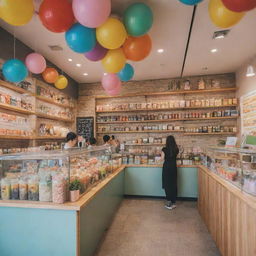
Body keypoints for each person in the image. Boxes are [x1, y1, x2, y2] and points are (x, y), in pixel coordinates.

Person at [162, 135, 179, 210]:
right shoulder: (176, 149)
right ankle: (173, 202)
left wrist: (156, 160)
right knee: (173, 183)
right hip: (173, 167)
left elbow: (162, 158)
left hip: (166, 168)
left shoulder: (164, 149)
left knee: (167, 184)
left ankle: (169, 203)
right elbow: (175, 156)